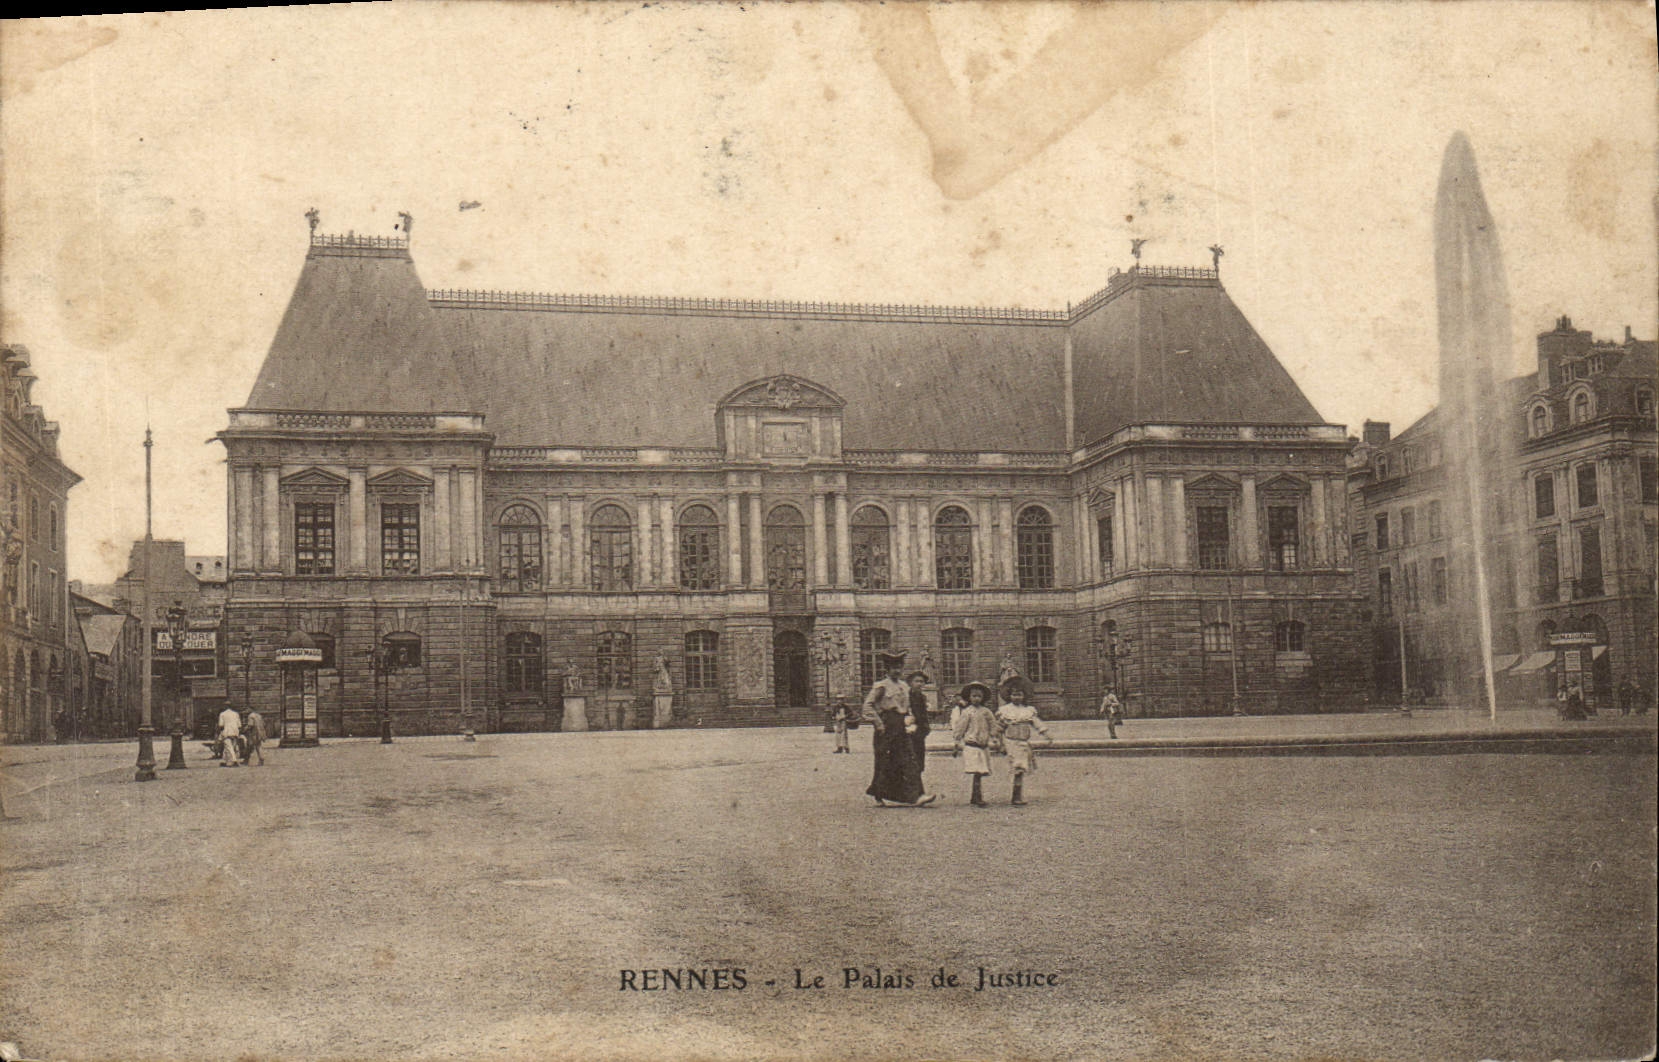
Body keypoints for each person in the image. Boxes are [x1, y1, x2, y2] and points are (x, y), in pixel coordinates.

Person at [861, 653, 935, 807]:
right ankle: (879, 793)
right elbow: (867, 706)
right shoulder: (881, 686)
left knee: (910, 760)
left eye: (899, 668)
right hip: (886, 725)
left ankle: (917, 795)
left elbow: (908, 706)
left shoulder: (904, 686)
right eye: (893, 668)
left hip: (901, 725)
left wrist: (911, 720)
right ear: (887, 669)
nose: (897, 671)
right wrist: (878, 723)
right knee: (885, 761)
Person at [995, 685, 1051, 806]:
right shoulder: (1006, 711)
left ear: (1024, 696)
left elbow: (1037, 723)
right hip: (1011, 743)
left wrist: (1045, 734)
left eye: (1019, 694)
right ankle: (1016, 796)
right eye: (1014, 695)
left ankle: (1017, 795)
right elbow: (999, 729)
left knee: (1021, 768)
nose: (1017, 697)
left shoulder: (1028, 711)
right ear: (1010, 696)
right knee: (1018, 768)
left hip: (1023, 743)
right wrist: (1000, 744)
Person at [951, 682, 1002, 808]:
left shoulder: (986, 712)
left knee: (980, 772)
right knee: (977, 771)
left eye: (979, 696)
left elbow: (993, 725)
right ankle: (977, 796)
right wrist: (956, 743)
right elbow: (960, 728)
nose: (976, 699)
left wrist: (995, 737)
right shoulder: (967, 712)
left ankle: (975, 796)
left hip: (982, 745)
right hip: (971, 745)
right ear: (969, 697)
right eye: (973, 696)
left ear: (983, 698)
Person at [907, 671, 932, 772]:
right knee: (909, 761)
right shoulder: (906, 697)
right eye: (916, 681)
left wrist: (926, 728)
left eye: (922, 681)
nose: (919, 684)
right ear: (910, 683)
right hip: (909, 732)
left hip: (920, 732)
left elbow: (924, 715)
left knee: (919, 761)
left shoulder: (923, 697)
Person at [216, 703, 243, 767]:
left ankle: (234, 761)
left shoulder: (222, 714)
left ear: (225, 706)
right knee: (232, 747)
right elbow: (239, 725)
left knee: (229, 747)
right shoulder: (236, 714)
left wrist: (220, 732)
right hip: (235, 732)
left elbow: (221, 725)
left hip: (227, 732)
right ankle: (225, 761)